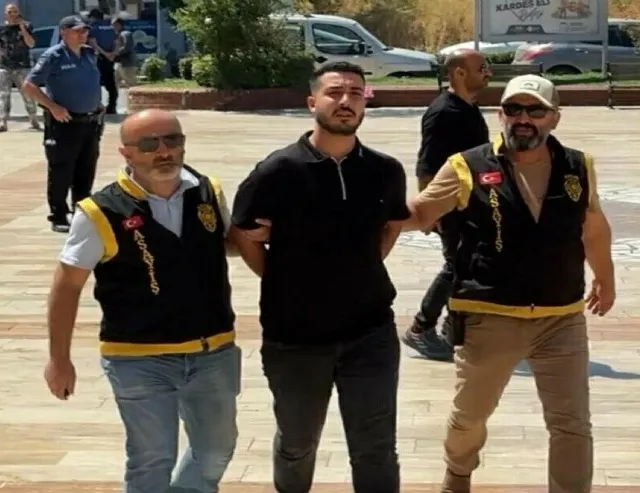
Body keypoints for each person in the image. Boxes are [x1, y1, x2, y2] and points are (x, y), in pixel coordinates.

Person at [404, 75, 615, 493]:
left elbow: (592, 225)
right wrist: (364, 218)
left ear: (554, 117)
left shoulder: (578, 166)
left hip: (561, 318)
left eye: (535, 110)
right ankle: (458, 472)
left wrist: (605, 278)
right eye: (514, 109)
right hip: (489, 317)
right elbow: (420, 213)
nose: (524, 118)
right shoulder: (467, 166)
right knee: (469, 417)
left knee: (572, 424)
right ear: (500, 115)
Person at [231, 61, 410, 493]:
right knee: (297, 442)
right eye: (335, 92)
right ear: (312, 102)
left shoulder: (385, 170)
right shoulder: (277, 171)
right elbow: (243, 234)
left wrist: (363, 267)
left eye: (355, 93)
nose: (345, 101)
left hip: (370, 333)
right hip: (294, 337)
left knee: (376, 448)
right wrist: (282, 278)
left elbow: (391, 226)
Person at [44, 109, 242, 493]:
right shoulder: (99, 211)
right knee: (152, 459)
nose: (164, 151)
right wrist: (59, 359)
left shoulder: (207, 191)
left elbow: (228, 243)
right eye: (149, 144)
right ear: (126, 153)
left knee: (215, 450)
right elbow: (67, 287)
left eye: (173, 140)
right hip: (138, 358)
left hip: (212, 351)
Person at [401, 49, 491, 362]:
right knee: (456, 266)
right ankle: (420, 328)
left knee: (467, 265)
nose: (488, 73)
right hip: (451, 205)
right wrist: (427, 213)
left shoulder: (467, 107)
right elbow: (426, 165)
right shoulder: (443, 112)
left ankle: (454, 328)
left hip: (471, 203)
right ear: (460, 73)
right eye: (481, 68)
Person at [23, 15, 104, 233]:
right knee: (62, 170)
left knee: (86, 169)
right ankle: (58, 215)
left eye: (85, 30)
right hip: (65, 123)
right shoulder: (54, 56)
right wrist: (52, 107)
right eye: (78, 31)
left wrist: (97, 104)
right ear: (64, 32)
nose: (83, 34)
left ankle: (82, 212)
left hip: (90, 122)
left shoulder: (89, 54)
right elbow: (29, 85)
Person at [0, 3, 40, 131]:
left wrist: (22, 28)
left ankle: (33, 118)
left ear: (18, 13)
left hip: (22, 65)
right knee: (4, 95)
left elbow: (31, 44)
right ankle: (3, 121)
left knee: (27, 93)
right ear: (5, 14)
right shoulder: (1, 28)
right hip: (5, 66)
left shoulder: (27, 26)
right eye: (10, 12)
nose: (12, 14)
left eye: (15, 11)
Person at [87, 8, 118, 114]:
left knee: (95, 83)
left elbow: (93, 43)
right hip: (110, 59)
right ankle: (112, 106)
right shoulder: (111, 28)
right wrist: (112, 54)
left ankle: (97, 107)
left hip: (97, 59)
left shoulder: (92, 28)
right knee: (111, 84)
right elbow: (117, 42)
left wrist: (105, 53)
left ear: (93, 17)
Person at [111, 16, 137, 88]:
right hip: (117, 63)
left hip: (127, 64)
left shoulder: (125, 34)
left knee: (131, 86)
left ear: (119, 25)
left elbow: (126, 48)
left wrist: (114, 53)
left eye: (113, 25)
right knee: (114, 85)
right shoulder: (116, 35)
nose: (112, 27)